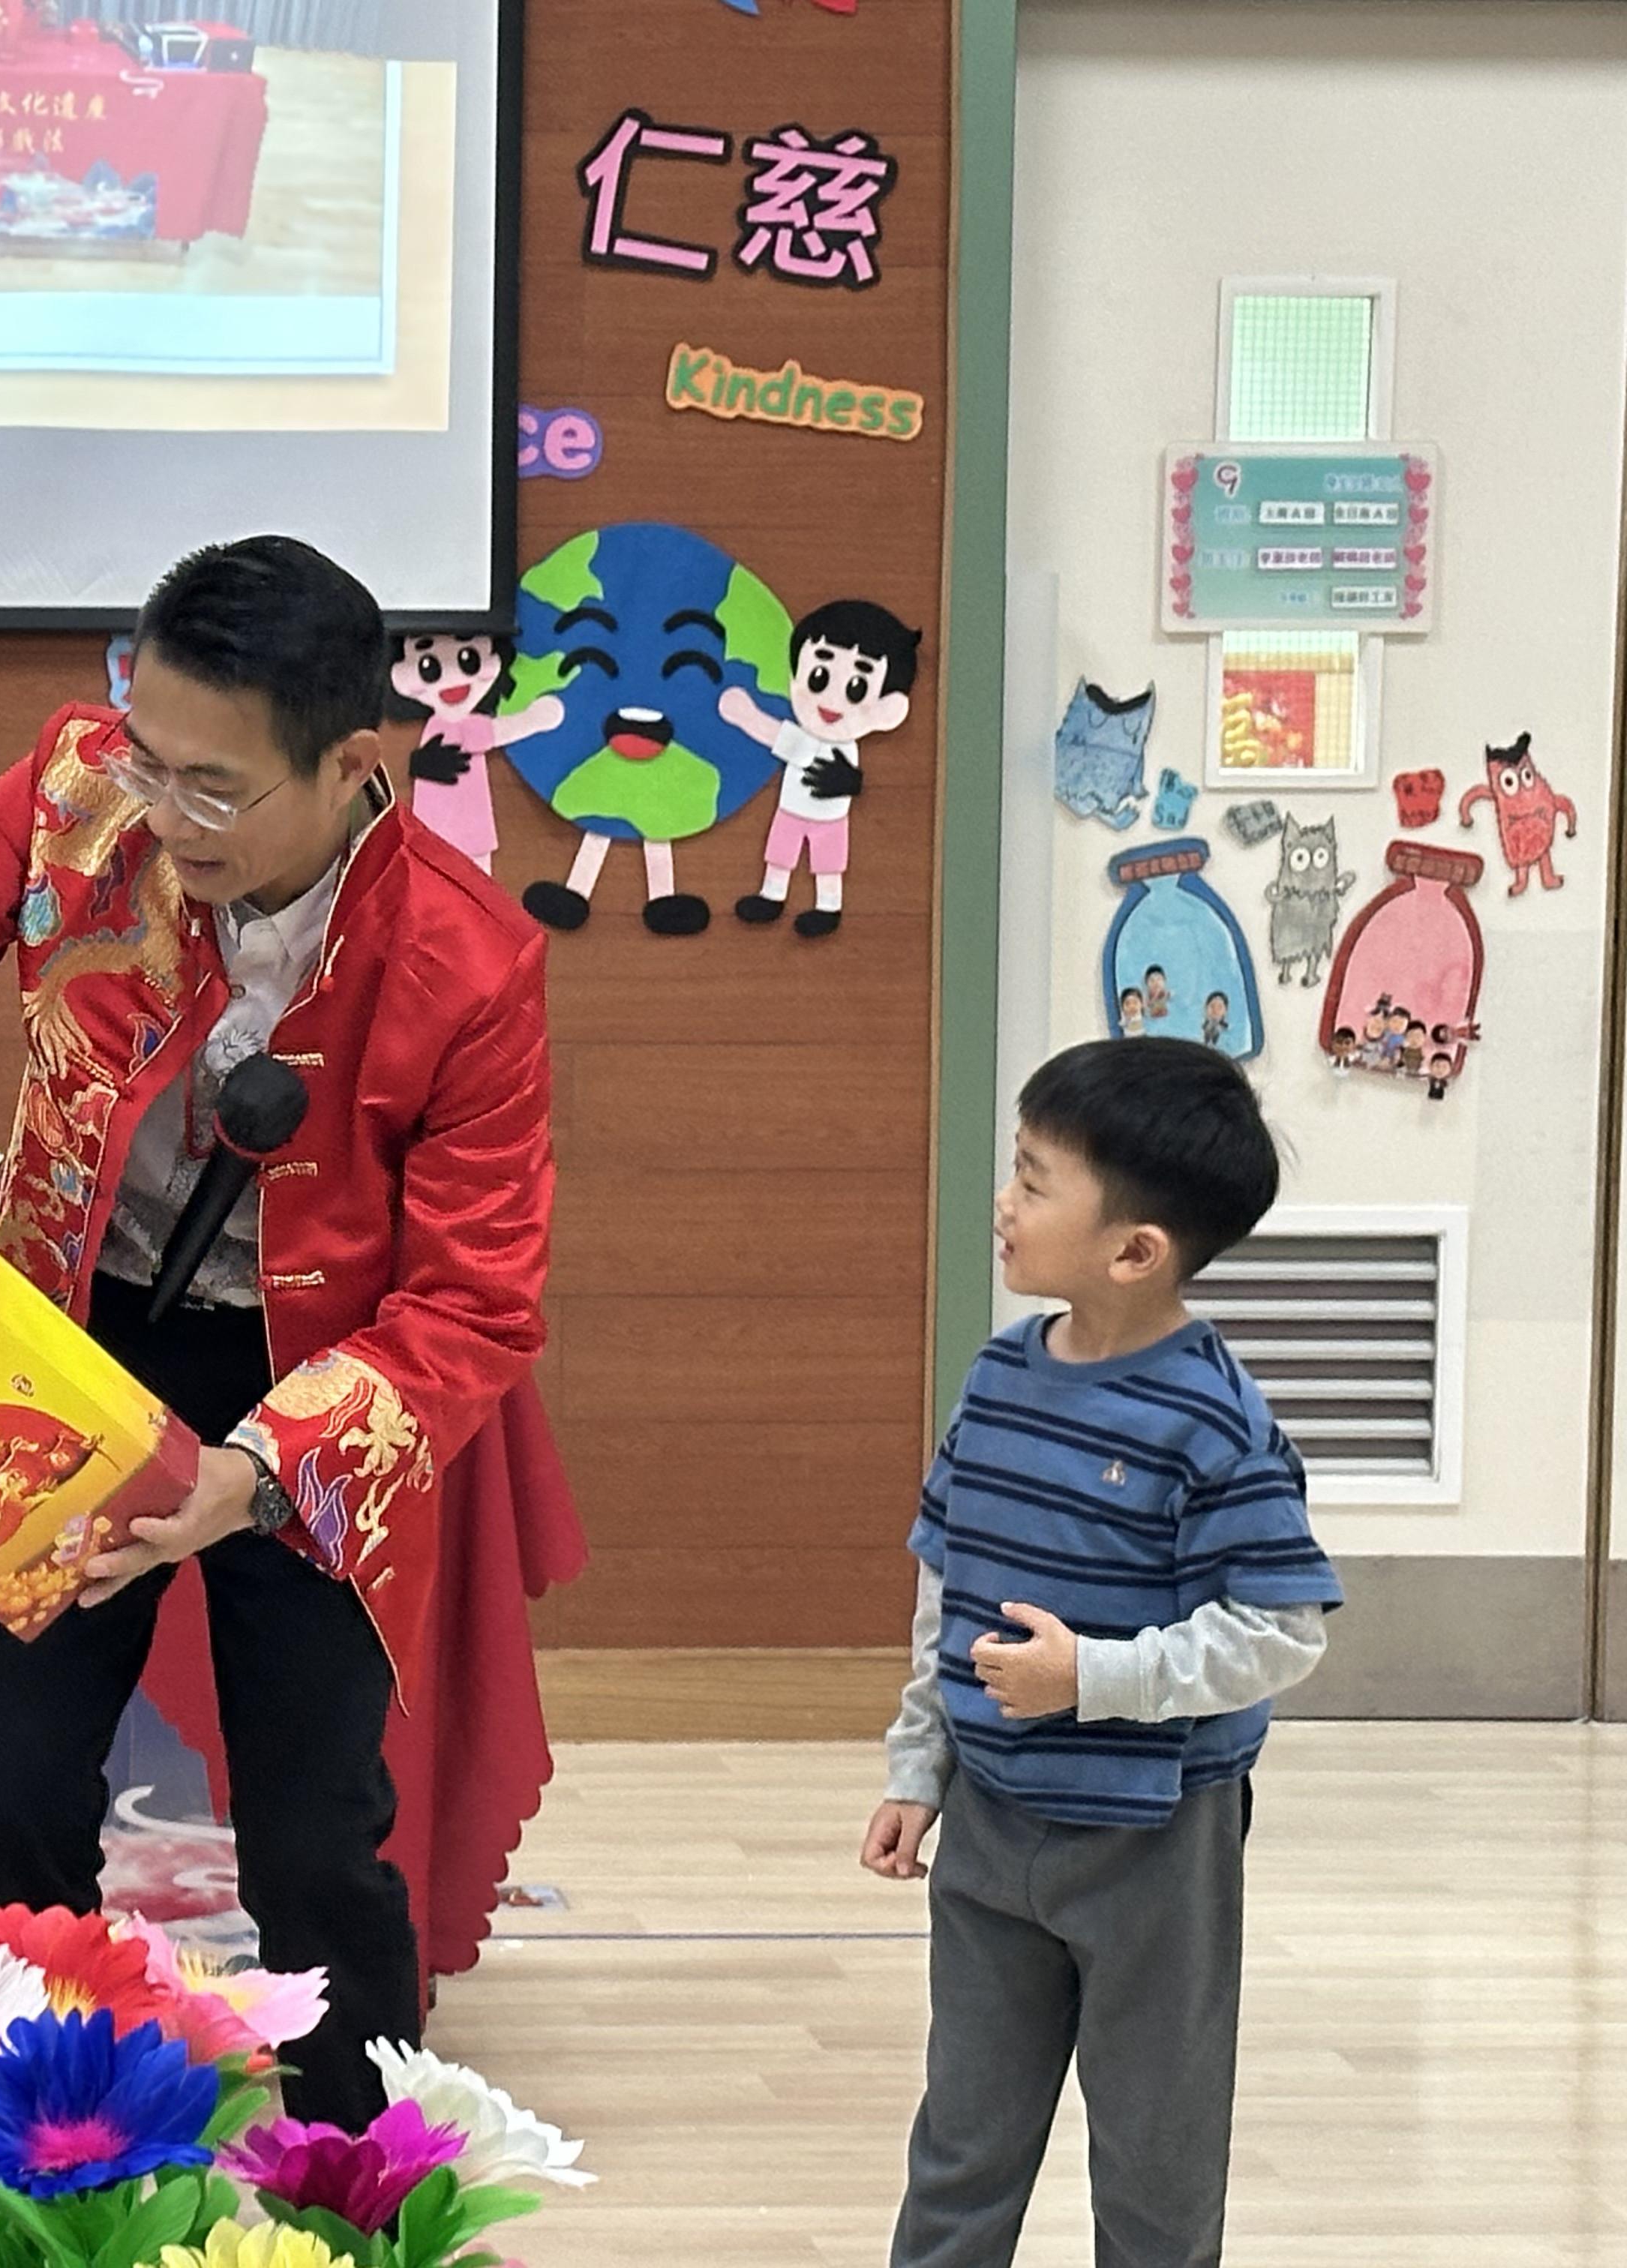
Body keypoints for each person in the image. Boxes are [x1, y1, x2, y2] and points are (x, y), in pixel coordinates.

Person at [0, 535, 557, 2128]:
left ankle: (353, 2173)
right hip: (68, 1328)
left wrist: (251, 1474)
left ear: (356, 765)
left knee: (316, 1828)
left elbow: (474, 1299)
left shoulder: (467, 962)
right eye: (148, 758)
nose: (165, 817)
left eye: (215, 788)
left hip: (316, 1386)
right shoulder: (76, 792)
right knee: (15, 1780)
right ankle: (38, 2146)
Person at [862, 1038, 1343, 2268]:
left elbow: (1281, 1630)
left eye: (1033, 1180)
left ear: (1135, 1250)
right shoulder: (998, 1378)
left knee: (1153, 2158)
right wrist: (919, 1762)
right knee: (962, 2142)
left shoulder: (1214, 1421)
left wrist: (1096, 1678)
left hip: (1155, 1847)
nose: (1002, 1202)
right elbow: (948, 1585)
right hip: (992, 1823)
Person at [720, 596, 921, 938]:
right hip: (791, 810)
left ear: (888, 709)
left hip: (831, 818)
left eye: (856, 688)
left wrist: (847, 781)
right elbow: (772, 733)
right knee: (780, 852)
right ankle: (773, 894)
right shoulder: (806, 737)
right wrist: (746, 715)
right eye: (818, 677)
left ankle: (828, 905)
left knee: (828, 862)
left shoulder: (845, 747)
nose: (831, 701)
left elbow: (781, 739)